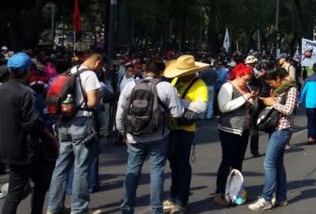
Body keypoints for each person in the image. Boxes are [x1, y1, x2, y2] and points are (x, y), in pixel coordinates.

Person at [116, 60, 185, 214]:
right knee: (157, 172)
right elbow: (177, 113)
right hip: (158, 136)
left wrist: (123, 132)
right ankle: (156, 209)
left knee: (132, 170)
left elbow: (121, 110)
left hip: (134, 136)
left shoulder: (131, 85)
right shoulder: (166, 87)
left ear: (146, 70)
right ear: (162, 72)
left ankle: (127, 208)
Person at [47, 54, 104, 214]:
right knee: (81, 166)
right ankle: (79, 208)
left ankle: (54, 206)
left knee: (61, 165)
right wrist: (98, 95)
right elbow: (92, 102)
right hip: (81, 122)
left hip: (63, 122)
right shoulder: (90, 75)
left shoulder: (70, 71)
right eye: (100, 67)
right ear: (97, 63)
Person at [0, 53, 56, 214]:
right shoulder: (26, 93)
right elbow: (32, 123)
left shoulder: (2, 89)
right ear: (27, 71)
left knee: (14, 195)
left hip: (7, 148)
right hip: (27, 150)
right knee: (36, 189)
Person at [163, 55, 209, 214]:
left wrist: (178, 101)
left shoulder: (199, 85)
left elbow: (201, 107)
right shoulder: (175, 81)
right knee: (173, 164)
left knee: (182, 164)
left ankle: (181, 200)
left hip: (185, 129)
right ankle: (172, 195)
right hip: (171, 127)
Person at [247, 68, 298, 211]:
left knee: (269, 164)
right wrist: (266, 100)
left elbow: (288, 110)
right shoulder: (281, 90)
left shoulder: (292, 89)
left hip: (282, 129)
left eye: (271, 83)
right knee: (278, 164)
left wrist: (273, 103)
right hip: (275, 128)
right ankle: (281, 198)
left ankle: (266, 198)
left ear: (278, 79)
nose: (271, 86)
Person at [213, 64, 257, 206]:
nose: (248, 82)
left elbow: (253, 107)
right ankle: (220, 192)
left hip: (243, 129)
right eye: (246, 79)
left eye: (249, 79)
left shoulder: (247, 88)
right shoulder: (227, 87)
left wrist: (252, 102)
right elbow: (224, 107)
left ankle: (236, 190)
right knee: (227, 160)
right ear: (238, 75)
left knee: (238, 161)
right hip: (229, 129)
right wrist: (244, 98)